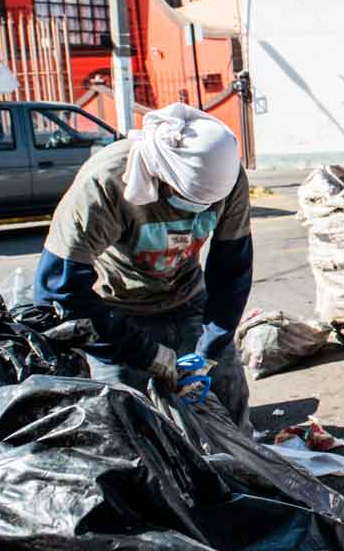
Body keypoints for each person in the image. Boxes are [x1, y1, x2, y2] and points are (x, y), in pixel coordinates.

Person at [34, 103, 253, 426]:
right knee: (124, 421)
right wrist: (145, 354)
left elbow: (231, 267)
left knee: (228, 395)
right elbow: (57, 290)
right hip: (117, 309)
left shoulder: (227, 176)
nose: (194, 215)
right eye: (187, 201)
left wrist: (210, 346)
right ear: (160, 176)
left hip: (187, 298)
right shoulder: (104, 184)